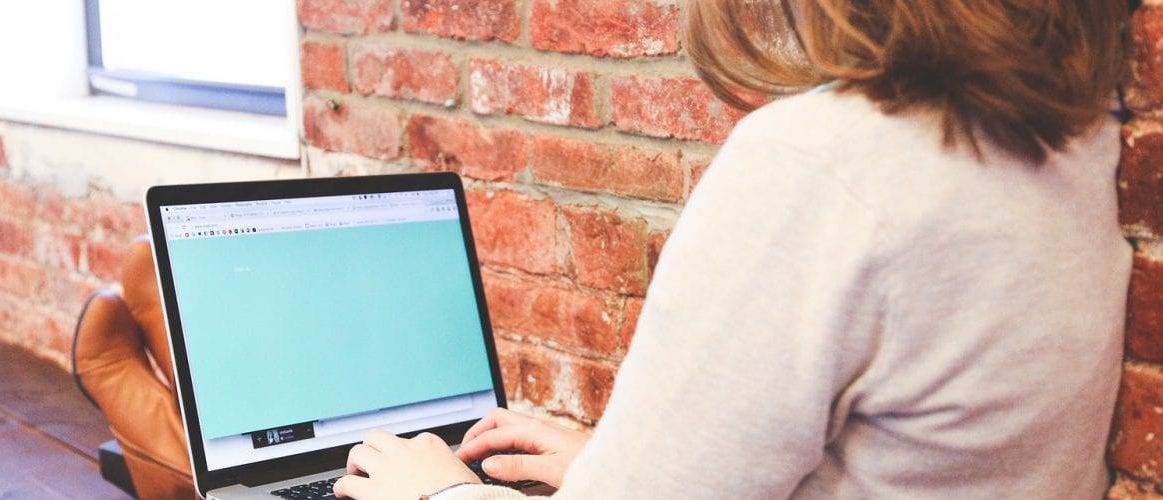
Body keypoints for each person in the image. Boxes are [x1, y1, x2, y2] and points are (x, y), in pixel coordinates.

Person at [73, 1, 1134, 498]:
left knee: (373, 481)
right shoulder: (1076, 147)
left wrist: (437, 496)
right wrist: (623, 470)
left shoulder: (823, 163)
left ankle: (184, 447)